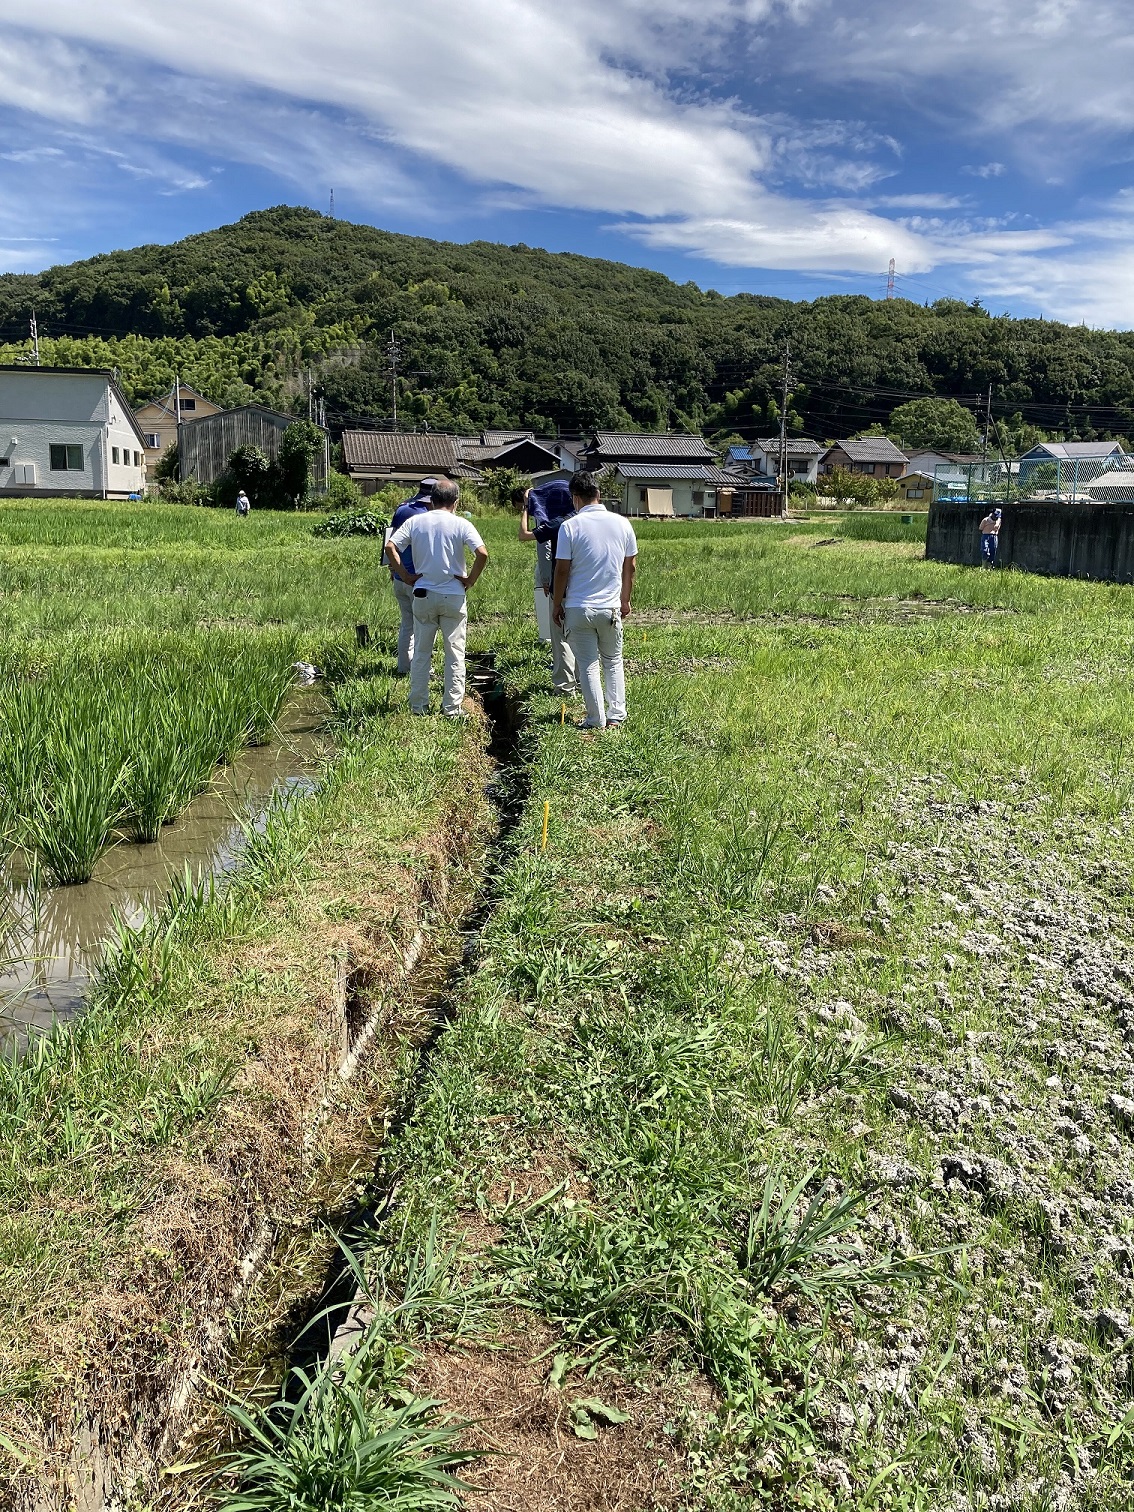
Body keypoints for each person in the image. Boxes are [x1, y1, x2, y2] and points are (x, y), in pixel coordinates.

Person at [386, 479, 489, 718]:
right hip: (453, 594)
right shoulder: (462, 524)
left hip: (422, 593)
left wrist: (405, 575)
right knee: (454, 653)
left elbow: (391, 547)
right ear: (456, 502)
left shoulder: (415, 521)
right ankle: (452, 708)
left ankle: (418, 706)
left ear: (431, 501)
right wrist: (470, 579)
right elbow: (482, 553)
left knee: (422, 653)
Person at [552, 471, 637, 731]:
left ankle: (595, 718)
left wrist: (557, 604)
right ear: (598, 494)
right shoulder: (622, 523)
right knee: (613, 661)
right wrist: (625, 600)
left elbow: (562, 569)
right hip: (610, 607)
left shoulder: (570, 526)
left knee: (588, 664)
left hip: (579, 607)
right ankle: (616, 715)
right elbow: (630, 566)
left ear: (575, 498)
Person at [519, 480, 578, 697]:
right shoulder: (587, 520)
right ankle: (583, 683)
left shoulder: (559, 524)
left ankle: (564, 686)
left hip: (562, 586)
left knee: (560, 636)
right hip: (587, 587)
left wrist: (526, 507)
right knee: (582, 637)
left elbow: (524, 535)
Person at [385, 478, 436, 676]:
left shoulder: (402, 508)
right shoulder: (427, 517)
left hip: (400, 576)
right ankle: (423, 669)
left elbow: (390, 541)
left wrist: (394, 570)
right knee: (424, 625)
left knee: (407, 624)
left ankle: (404, 667)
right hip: (419, 579)